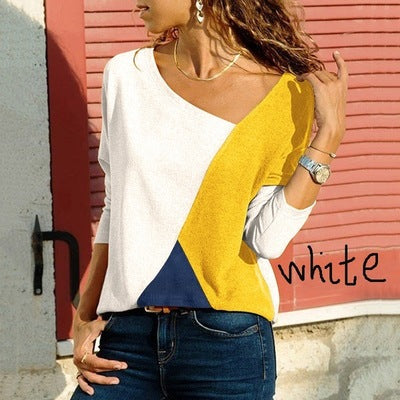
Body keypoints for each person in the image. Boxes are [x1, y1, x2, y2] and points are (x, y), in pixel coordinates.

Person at [70, 0, 347, 398]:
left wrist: (329, 136)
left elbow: (266, 239)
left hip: (227, 344)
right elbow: (116, 206)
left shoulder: (286, 94)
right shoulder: (126, 75)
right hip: (127, 341)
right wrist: (83, 314)